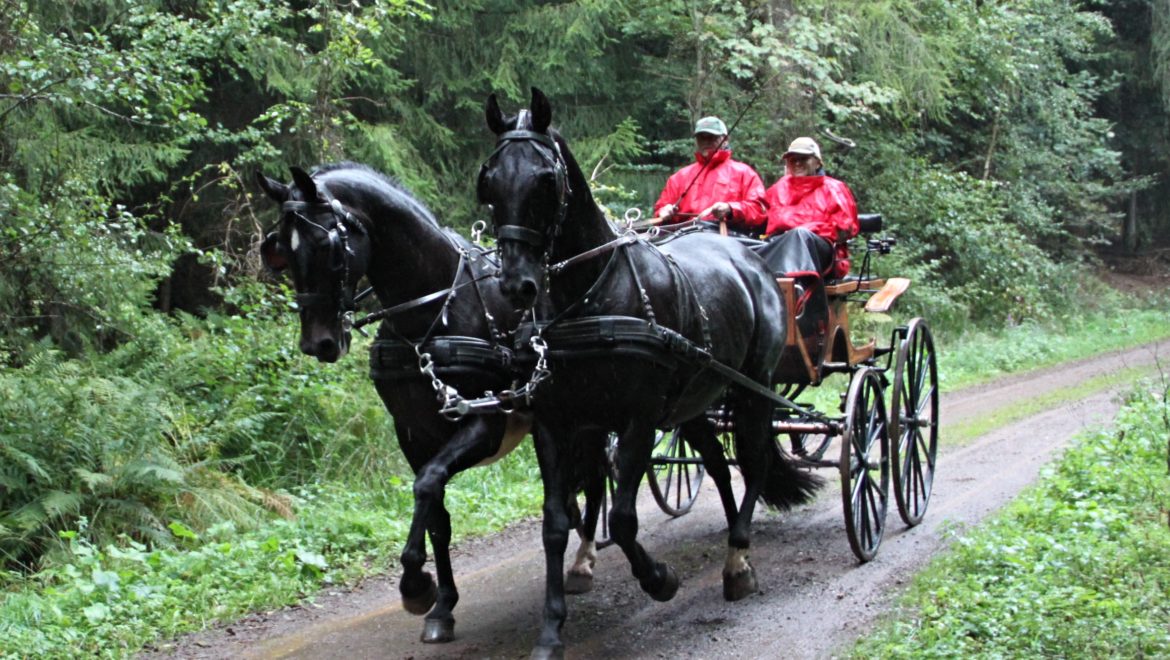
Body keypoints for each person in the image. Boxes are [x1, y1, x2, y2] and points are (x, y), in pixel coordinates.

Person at [754, 137, 860, 342]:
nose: (797, 163)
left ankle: (808, 308)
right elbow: (757, 215)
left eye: (803, 158)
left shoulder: (834, 188)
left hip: (822, 252)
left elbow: (845, 229)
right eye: (792, 159)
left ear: (818, 162)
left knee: (799, 236)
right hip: (781, 245)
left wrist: (808, 229)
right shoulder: (778, 189)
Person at [651, 116, 767, 233]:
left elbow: (759, 210)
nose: (706, 142)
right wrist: (663, 212)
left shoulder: (745, 173)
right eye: (701, 137)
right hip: (684, 237)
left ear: (725, 139)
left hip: (729, 237)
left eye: (712, 137)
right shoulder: (679, 177)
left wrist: (731, 209)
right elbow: (660, 210)